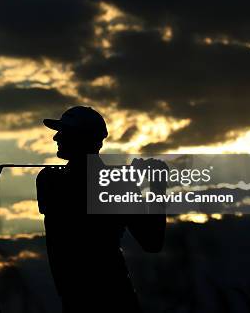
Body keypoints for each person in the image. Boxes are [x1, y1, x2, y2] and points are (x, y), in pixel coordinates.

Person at [36, 106, 166, 312]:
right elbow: (152, 241)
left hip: (86, 299)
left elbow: (152, 243)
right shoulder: (53, 180)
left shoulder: (49, 179)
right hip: (113, 296)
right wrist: (156, 187)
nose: (56, 138)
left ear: (80, 138)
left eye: (64, 132)